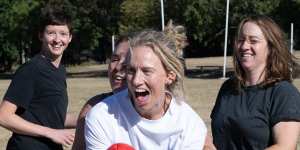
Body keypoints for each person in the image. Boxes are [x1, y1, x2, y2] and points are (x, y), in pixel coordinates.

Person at [85, 22, 207, 150]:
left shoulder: (189, 125)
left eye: (147, 71)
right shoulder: (102, 116)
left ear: (170, 76)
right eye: (131, 70)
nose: (136, 80)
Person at [211, 15, 300, 150]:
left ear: (271, 48)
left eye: (253, 41)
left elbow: (285, 146)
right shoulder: (228, 87)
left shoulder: (283, 93)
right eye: (241, 40)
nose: (244, 46)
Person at [0, 6, 75, 150]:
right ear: (41, 35)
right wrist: (51, 133)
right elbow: (3, 116)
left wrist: (87, 118)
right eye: (51, 33)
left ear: (70, 38)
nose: (57, 39)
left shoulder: (59, 70)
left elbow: (49, 116)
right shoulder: (31, 69)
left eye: (63, 34)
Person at [72, 35, 130, 150]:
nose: (118, 67)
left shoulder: (170, 111)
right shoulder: (94, 108)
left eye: (128, 60)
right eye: (115, 59)